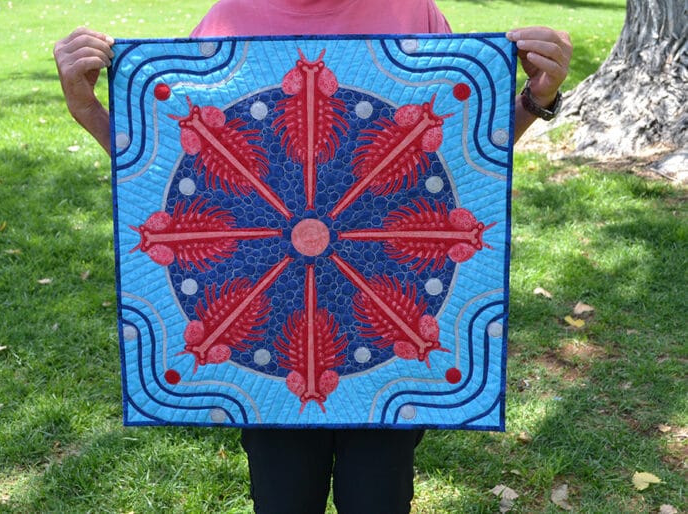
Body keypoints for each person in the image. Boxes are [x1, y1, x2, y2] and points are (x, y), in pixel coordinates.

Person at [54, 2, 571, 513]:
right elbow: (180, 170)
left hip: (388, 341)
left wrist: (533, 99)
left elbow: (458, 156)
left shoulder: (414, 11)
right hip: (270, 347)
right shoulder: (225, 20)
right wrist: (90, 112)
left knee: (377, 500)